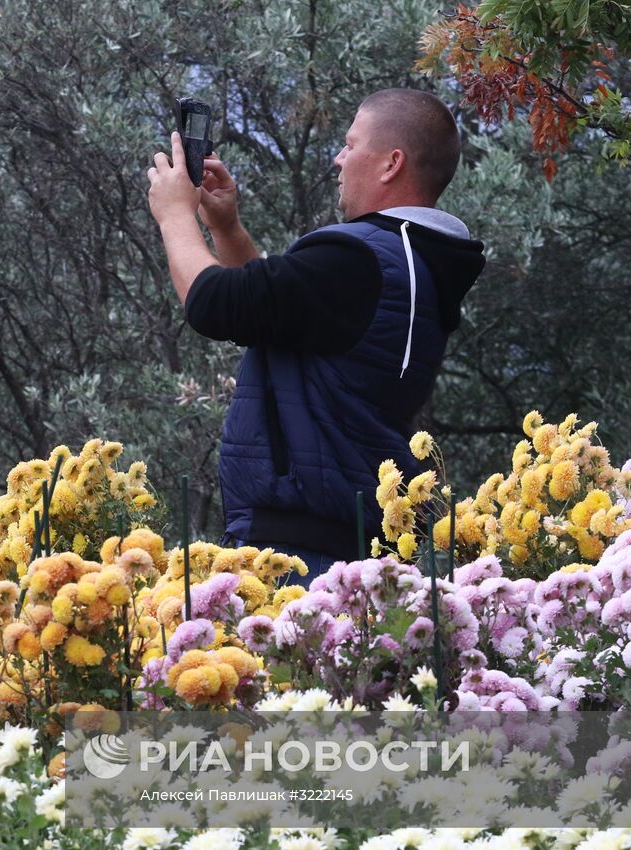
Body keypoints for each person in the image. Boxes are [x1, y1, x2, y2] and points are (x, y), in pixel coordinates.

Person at [146, 88, 486, 586]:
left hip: (299, 553)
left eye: (350, 144)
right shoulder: (412, 261)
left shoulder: (360, 258)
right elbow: (275, 317)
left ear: (391, 163)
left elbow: (214, 303)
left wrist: (174, 213)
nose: (338, 158)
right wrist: (227, 227)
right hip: (350, 544)